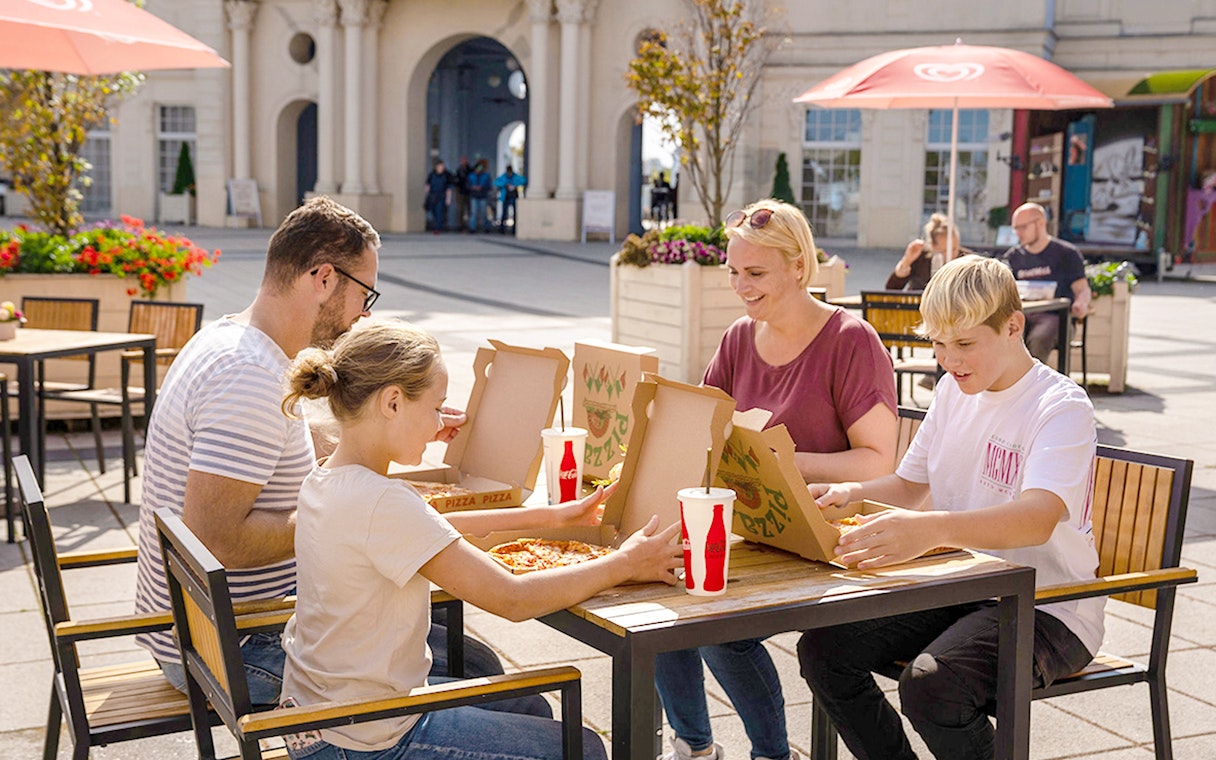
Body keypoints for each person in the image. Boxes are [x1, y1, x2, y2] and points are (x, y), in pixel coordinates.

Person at [132, 196, 498, 707]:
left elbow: (286, 448)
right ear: (323, 278)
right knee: (475, 678)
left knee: (468, 657)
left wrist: (393, 426)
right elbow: (215, 537)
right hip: (227, 645)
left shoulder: (234, 340)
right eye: (365, 294)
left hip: (219, 624)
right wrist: (349, 516)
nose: (364, 315)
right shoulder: (248, 378)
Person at [277, 320, 683, 760]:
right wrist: (625, 563)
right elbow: (512, 599)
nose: (439, 423)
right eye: (436, 407)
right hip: (368, 738)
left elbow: (427, 524)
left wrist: (550, 516)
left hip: (317, 717)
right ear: (392, 402)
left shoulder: (327, 477)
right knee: (582, 747)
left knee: (528, 707)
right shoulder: (383, 501)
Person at [798, 255, 1103, 760]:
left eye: (964, 344)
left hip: (1050, 608)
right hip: (968, 587)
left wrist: (928, 530)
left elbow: (1037, 517)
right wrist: (845, 495)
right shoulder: (951, 390)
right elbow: (907, 484)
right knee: (824, 649)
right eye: (937, 344)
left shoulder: (1060, 406)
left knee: (933, 685)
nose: (948, 360)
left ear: (1012, 326)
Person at [653, 198, 899, 760]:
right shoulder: (740, 337)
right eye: (734, 272)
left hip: (829, 538)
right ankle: (694, 747)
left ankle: (773, 754)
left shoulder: (850, 340)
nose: (741, 286)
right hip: (758, 529)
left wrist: (778, 459)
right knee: (658, 590)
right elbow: (707, 431)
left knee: (720, 624)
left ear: (798, 267)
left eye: (756, 273)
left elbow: (878, 461)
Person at [1001, 202, 1091, 363]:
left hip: (1057, 317)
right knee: (1004, 334)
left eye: (1022, 227)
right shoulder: (1013, 257)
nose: (1018, 233)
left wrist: (1081, 303)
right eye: (1015, 228)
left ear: (1041, 223)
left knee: (1040, 337)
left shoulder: (1066, 253)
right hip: (1022, 315)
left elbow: (1082, 289)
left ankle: (1033, 384)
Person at [886, 213, 972, 291]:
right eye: (945, 250)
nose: (951, 254)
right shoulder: (920, 257)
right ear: (933, 246)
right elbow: (892, 289)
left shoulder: (967, 260)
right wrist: (906, 262)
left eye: (954, 248)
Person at [495, 165, 527, 234]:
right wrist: (505, 184)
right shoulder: (504, 177)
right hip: (506, 196)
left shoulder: (515, 177)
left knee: (515, 213)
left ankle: (514, 229)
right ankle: (502, 228)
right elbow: (496, 182)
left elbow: (523, 180)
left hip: (513, 196)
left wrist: (514, 184)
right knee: (504, 213)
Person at [424, 160, 453, 233]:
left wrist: (448, 198)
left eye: (442, 166)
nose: (442, 167)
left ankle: (437, 227)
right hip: (432, 195)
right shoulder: (432, 174)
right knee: (433, 211)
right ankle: (438, 223)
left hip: (441, 195)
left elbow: (449, 188)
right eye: (440, 166)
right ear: (437, 167)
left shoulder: (447, 175)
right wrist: (427, 193)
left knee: (439, 211)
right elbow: (427, 184)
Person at [466, 159, 492, 233]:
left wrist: (482, 188)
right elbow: (467, 185)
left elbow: (489, 186)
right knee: (473, 213)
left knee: (484, 213)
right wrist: (472, 188)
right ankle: (472, 228)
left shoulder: (486, 176)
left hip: (483, 196)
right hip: (474, 196)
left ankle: (486, 227)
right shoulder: (471, 176)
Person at [452, 156, 471, 231]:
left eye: (465, 160)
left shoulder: (469, 169)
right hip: (460, 192)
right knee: (460, 209)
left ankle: (469, 225)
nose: (463, 162)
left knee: (469, 209)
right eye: (462, 160)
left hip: (468, 192)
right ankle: (460, 225)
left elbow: (477, 169)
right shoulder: (458, 170)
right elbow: (456, 180)